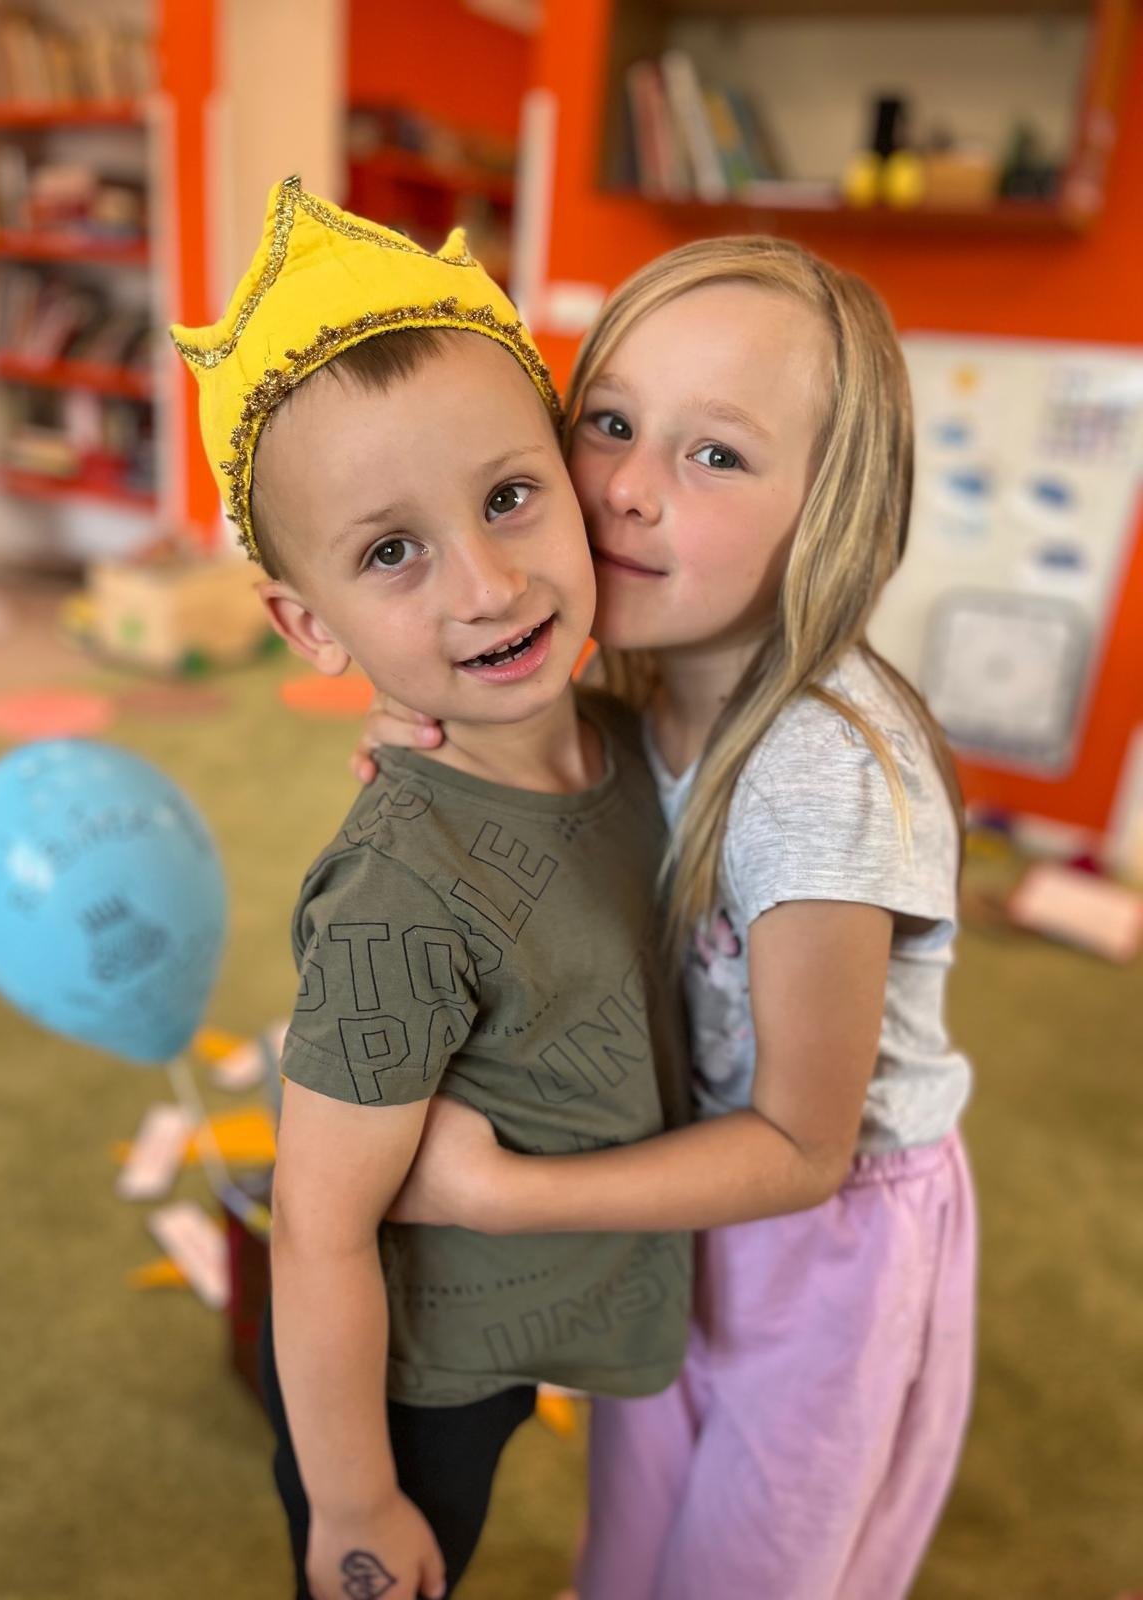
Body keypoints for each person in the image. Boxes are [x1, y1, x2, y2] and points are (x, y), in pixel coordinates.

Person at [359, 235, 978, 1600]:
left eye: (715, 455)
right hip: (681, 1175)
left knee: (752, 1563)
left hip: (826, 1242)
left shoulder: (819, 778)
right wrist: (444, 738)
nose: (628, 490)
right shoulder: (640, 692)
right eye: (610, 423)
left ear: (829, 512)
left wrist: (501, 1196)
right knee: (630, 1532)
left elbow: (805, 1147)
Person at [170, 177, 691, 1600]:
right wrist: (352, 1499)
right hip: (411, 1384)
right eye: (391, 553)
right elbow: (319, 1225)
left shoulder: (635, 736)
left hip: (533, 1313)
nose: (488, 584)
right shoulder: (396, 901)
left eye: (510, 498)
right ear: (309, 625)